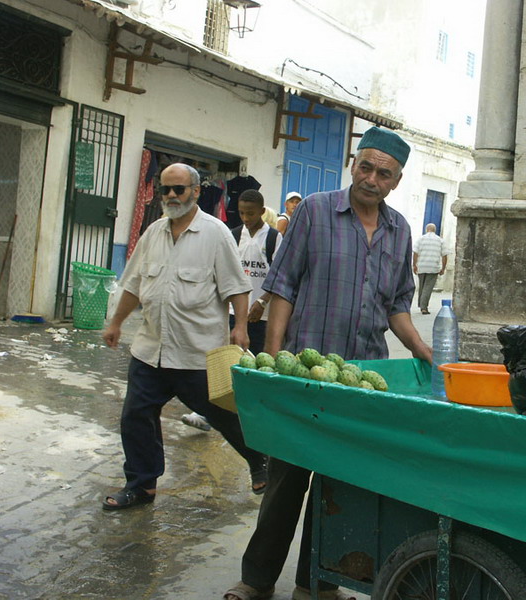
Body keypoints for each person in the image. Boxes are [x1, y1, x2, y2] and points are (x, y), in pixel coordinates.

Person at [223, 127, 432, 600]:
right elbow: (284, 286)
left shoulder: (400, 231)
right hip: (305, 375)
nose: (371, 179)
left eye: (384, 173)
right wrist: (273, 359)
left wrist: (423, 350)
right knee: (285, 481)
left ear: (396, 181)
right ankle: (256, 579)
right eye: (366, 166)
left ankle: (315, 583)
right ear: (353, 164)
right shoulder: (316, 210)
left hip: (359, 381)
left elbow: (398, 303)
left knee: (339, 487)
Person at [101, 162, 268, 510]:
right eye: (166, 189)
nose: (172, 196)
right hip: (151, 350)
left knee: (224, 415)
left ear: (195, 191)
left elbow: (237, 286)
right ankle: (141, 485)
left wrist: (239, 327)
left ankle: (260, 459)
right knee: (136, 416)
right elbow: (133, 284)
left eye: (179, 189)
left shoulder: (216, 233)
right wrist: (116, 322)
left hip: (198, 353)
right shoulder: (153, 233)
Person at [180, 190, 283, 481]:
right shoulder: (232, 235)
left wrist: (262, 302)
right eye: (242, 212)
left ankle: (255, 423)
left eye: (252, 212)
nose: (246, 217)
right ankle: (210, 412)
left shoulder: (274, 239)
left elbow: (280, 276)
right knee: (221, 364)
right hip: (231, 314)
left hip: (260, 317)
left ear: (262, 211)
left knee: (255, 367)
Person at [412, 223, 450, 314]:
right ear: (434, 230)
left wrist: (414, 265)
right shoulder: (440, 240)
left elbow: (415, 253)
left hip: (421, 266)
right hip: (433, 267)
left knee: (422, 286)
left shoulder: (420, 239)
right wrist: (443, 268)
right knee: (428, 287)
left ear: (426, 230)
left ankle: (421, 305)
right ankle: (424, 307)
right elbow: (444, 255)